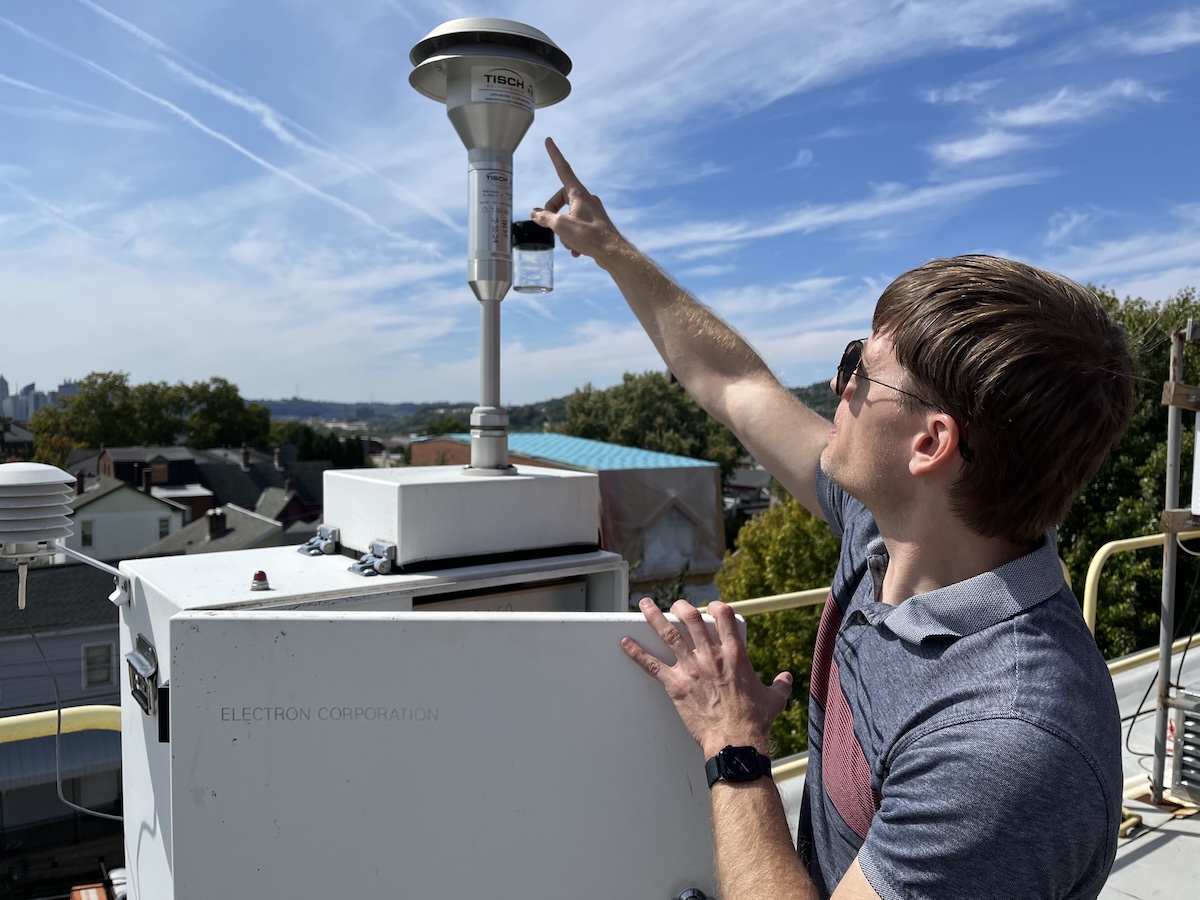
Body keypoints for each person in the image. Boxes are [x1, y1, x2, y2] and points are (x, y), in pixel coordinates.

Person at [531, 137, 1135, 900]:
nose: (836, 382)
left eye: (860, 366)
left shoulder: (1003, 740)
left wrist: (736, 742)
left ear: (931, 443)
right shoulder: (888, 529)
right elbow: (735, 381)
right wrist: (610, 248)